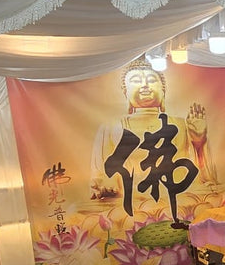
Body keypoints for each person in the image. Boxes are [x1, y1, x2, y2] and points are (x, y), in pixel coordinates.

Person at [90, 62, 216, 203]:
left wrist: (199, 141)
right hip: (131, 199)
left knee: (212, 198)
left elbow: (203, 175)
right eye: (136, 81)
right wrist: (106, 184)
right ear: (126, 92)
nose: (145, 85)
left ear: (163, 91)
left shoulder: (181, 123)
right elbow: (101, 172)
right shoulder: (111, 126)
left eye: (151, 80)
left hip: (178, 194)